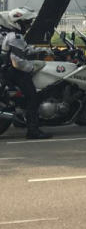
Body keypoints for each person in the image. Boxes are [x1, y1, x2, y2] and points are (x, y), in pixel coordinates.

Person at [0, 7, 51, 139]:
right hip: (15, 72)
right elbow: (17, 61)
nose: (29, 25)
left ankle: (22, 120)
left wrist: (43, 51)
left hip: (8, 70)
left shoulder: (13, 35)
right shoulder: (15, 37)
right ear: (17, 23)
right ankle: (33, 131)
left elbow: (25, 49)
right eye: (26, 23)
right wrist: (31, 68)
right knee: (33, 98)